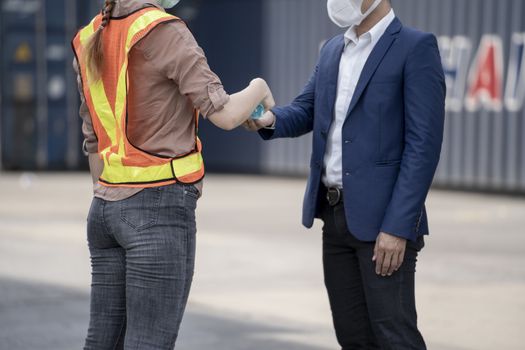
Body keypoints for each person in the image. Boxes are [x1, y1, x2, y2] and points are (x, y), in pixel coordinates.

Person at [72, 0, 274, 349]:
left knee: (102, 343)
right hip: (158, 208)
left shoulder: (91, 35)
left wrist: (110, 194)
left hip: (104, 209)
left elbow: (93, 141)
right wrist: (259, 88)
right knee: (149, 342)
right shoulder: (164, 31)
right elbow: (224, 114)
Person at [245, 0, 446, 348]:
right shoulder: (333, 50)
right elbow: (306, 109)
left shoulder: (415, 47)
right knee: (352, 337)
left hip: (384, 224)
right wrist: (270, 120)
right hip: (335, 217)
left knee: (394, 336)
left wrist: (397, 227)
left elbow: (423, 146)